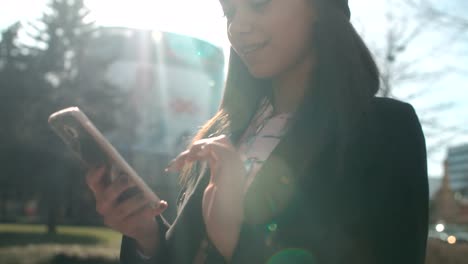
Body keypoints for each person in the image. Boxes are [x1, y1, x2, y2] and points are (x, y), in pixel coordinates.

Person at [86, 0, 429, 263]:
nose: (239, 27)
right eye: (229, 11)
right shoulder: (223, 134)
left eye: (259, 3)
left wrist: (236, 237)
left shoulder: (385, 130)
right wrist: (146, 235)